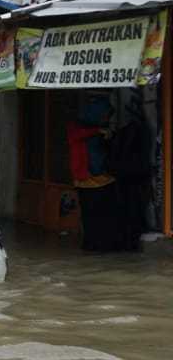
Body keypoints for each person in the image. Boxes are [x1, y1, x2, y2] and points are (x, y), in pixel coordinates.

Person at [67, 95, 124, 252]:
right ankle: (93, 245)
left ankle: (103, 244)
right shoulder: (78, 128)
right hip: (86, 180)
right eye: (105, 116)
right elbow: (75, 137)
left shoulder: (101, 131)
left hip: (103, 178)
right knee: (92, 216)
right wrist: (97, 131)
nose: (106, 119)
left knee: (105, 215)